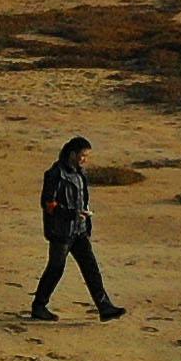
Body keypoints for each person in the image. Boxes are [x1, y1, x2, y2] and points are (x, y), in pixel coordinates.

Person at [31, 135, 125, 320]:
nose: (84, 159)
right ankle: (39, 306)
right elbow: (48, 204)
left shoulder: (80, 173)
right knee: (56, 268)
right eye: (82, 155)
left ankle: (105, 308)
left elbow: (83, 199)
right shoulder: (55, 174)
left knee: (91, 268)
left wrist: (84, 219)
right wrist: (72, 213)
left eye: (86, 156)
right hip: (61, 232)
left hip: (79, 230)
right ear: (72, 154)